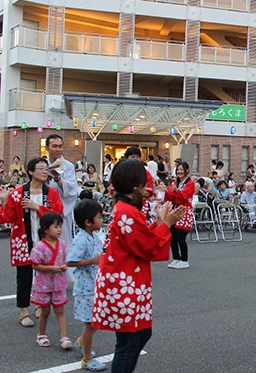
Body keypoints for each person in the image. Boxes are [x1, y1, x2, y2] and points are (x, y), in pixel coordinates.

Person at [92, 159, 185, 372]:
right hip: (124, 283)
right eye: (145, 184)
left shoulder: (126, 209)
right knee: (129, 342)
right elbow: (146, 246)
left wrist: (161, 224)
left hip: (125, 281)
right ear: (135, 185)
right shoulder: (127, 211)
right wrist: (166, 225)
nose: (148, 189)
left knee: (139, 334)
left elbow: (139, 238)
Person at [0, 157, 63, 327]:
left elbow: (57, 214)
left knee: (43, 275)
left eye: (46, 169)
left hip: (44, 240)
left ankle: (40, 305)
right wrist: (4, 199)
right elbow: (9, 217)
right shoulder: (18, 193)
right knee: (24, 276)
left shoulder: (51, 193)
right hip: (23, 238)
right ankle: (24, 310)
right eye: (40, 168)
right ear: (31, 172)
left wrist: (37, 207)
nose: (44, 172)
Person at [66, 199, 107, 371]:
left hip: (95, 285)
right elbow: (70, 261)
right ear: (88, 222)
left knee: (97, 321)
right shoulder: (81, 239)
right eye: (99, 217)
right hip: (86, 288)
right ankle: (87, 358)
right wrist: (92, 261)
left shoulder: (94, 236)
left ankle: (82, 342)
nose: (102, 220)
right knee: (90, 323)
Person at [29, 212, 73, 349]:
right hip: (44, 285)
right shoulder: (39, 247)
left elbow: (67, 259)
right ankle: (42, 334)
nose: (59, 229)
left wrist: (65, 266)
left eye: (60, 226)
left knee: (60, 310)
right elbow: (34, 265)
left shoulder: (63, 245)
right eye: (56, 226)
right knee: (45, 310)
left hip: (58, 283)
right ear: (45, 229)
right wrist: (50, 268)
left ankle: (64, 337)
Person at [46, 134, 79, 248]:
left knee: (63, 243)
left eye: (60, 146)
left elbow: (72, 189)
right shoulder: (42, 165)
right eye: (54, 146)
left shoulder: (68, 166)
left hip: (62, 208)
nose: (58, 149)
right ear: (47, 148)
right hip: (45, 208)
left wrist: (58, 178)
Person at [165, 162, 195, 269]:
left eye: (182, 169)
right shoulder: (174, 182)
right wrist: (170, 192)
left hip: (185, 212)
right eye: (178, 169)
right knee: (172, 237)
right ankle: (176, 258)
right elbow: (170, 196)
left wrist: (176, 192)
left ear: (187, 170)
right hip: (175, 211)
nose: (180, 172)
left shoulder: (190, 183)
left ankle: (184, 259)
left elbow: (185, 196)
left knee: (180, 237)